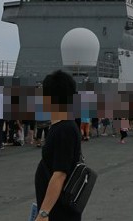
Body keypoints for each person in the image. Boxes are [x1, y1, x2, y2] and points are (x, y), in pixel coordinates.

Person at [34, 70, 82, 221]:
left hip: (59, 213)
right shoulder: (60, 126)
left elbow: (60, 174)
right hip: (55, 209)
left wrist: (44, 213)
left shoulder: (64, 129)